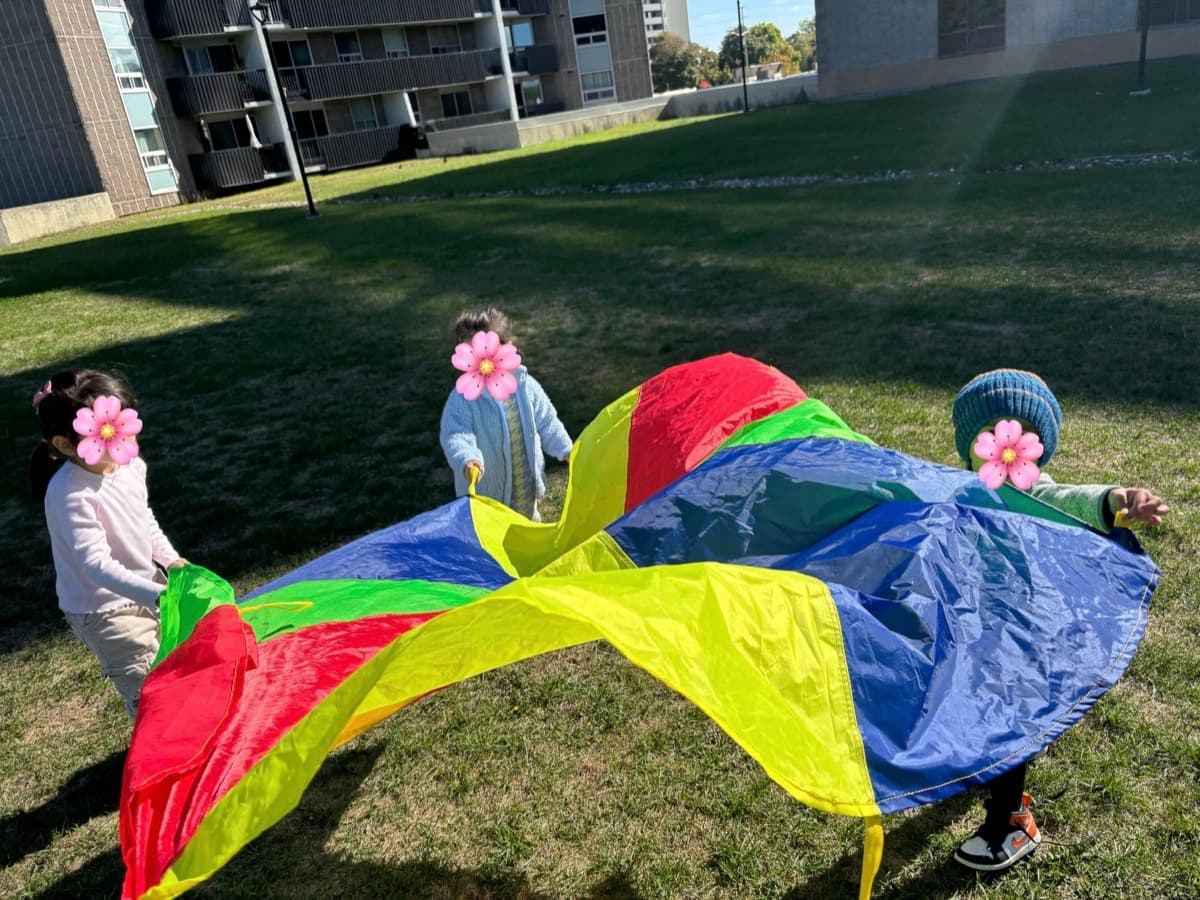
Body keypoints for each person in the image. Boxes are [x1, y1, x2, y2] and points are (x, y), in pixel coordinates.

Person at [949, 368, 1168, 871]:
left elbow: (1068, 500)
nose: (1005, 449)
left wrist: (1115, 499)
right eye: (992, 435)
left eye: (1018, 435)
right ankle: (989, 775)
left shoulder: (1030, 492)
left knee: (1013, 716)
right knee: (978, 707)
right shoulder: (962, 488)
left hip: (1023, 631)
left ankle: (1011, 821)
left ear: (1036, 448)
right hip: (974, 625)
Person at [31, 369, 186, 720]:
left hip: (145, 588)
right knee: (146, 685)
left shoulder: (129, 466)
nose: (120, 439)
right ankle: (158, 763)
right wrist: (153, 594)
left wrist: (170, 560)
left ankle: (182, 742)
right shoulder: (70, 494)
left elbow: (142, 518)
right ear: (66, 444)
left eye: (123, 426)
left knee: (171, 662)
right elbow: (95, 565)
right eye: (106, 433)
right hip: (103, 611)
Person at [440, 307, 572, 521]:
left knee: (527, 535)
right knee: (490, 548)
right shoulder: (463, 397)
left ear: (506, 347)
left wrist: (566, 450)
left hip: (525, 491)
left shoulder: (525, 386)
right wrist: (467, 458)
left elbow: (547, 422)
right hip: (487, 499)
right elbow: (456, 434)